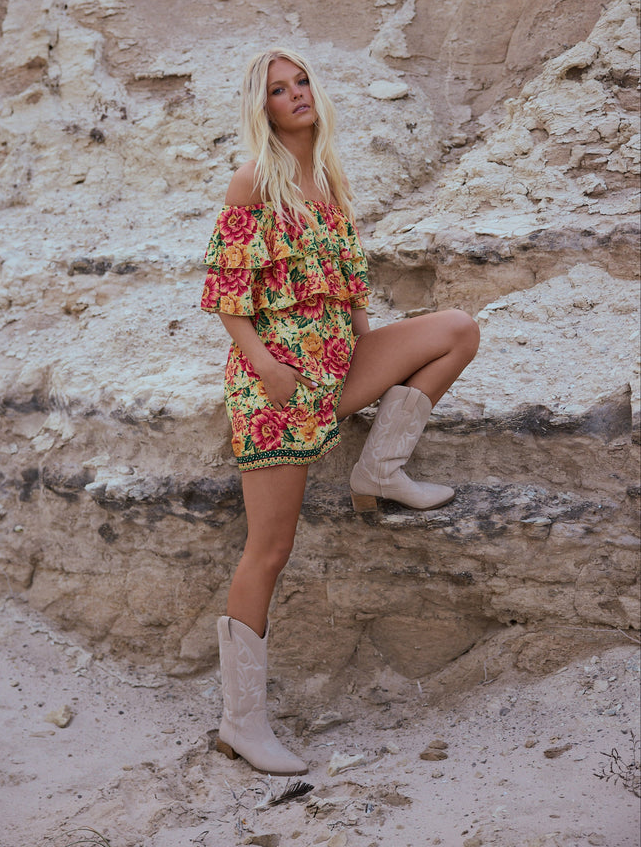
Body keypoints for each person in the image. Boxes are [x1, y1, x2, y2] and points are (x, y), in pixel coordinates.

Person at [201, 47, 480, 775]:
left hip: (334, 364)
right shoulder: (253, 180)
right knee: (269, 549)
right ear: (259, 106)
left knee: (455, 329)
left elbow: (350, 288)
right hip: (276, 387)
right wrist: (267, 367)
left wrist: (370, 353)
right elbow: (226, 298)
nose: (294, 95)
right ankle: (241, 724)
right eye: (277, 89)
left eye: (301, 83)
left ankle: (379, 470)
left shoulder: (327, 177)